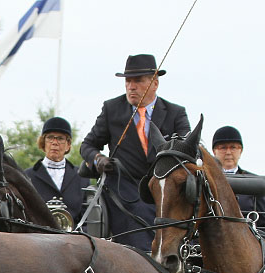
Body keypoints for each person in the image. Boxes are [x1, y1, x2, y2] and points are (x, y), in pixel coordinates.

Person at [80, 54, 190, 251]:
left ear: (154, 83)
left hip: (163, 188)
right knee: (136, 212)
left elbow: (187, 149)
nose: (131, 86)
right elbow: (87, 145)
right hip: (124, 189)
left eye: (138, 81)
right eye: (128, 81)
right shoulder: (112, 109)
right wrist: (99, 160)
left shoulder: (175, 113)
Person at [24, 117, 90, 228]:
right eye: (50, 138)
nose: (55, 143)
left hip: (75, 242)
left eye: (60, 138)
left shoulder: (82, 177)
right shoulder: (27, 176)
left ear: (68, 145)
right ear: (43, 142)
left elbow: (87, 220)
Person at [211, 125, 265, 229]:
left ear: (240, 151)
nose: (228, 152)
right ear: (214, 152)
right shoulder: (205, 180)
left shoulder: (255, 183)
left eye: (233, 147)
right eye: (223, 147)